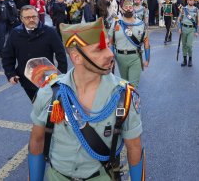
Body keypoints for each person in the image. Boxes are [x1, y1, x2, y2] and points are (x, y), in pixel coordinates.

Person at [27, 18, 145, 181]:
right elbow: (37, 142)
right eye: (99, 50)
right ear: (76, 57)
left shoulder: (124, 96)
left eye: (108, 46)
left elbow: (134, 148)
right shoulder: (50, 92)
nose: (110, 53)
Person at [2, 5, 67, 102]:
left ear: (38, 16)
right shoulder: (15, 33)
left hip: (49, 78)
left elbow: (61, 54)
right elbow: (8, 56)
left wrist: (61, 75)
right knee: (37, 105)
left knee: (52, 108)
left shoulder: (49, 32)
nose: (31, 19)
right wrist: (10, 74)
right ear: (21, 19)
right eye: (27, 18)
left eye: (34, 16)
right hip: (26, 79)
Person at [110, 0, 150, 88]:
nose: (128, 9)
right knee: (124, 84)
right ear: (122, 9)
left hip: (135, 58)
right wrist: (111, 58)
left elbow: (146, 43)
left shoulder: (140, 24)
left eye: (130, 7)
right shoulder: (116, 23)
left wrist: (147, 59)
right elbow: (111, 42)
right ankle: (128, 101)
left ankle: (133, 101)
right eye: (126, 7)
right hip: (120, 59)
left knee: (132, 86)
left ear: (133, 9)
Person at [178, 0, 199, 67]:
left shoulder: (196, 10)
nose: (192, 1)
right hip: (184, 28)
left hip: (191, 29)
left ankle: (190, 59)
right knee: (184, 45)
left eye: (193, 0)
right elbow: (179, 19)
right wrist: (179, 28)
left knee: (189, 45)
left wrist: (197, 31)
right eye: (190, 0)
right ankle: (185, 60)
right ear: (187, 1)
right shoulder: (183, 9)